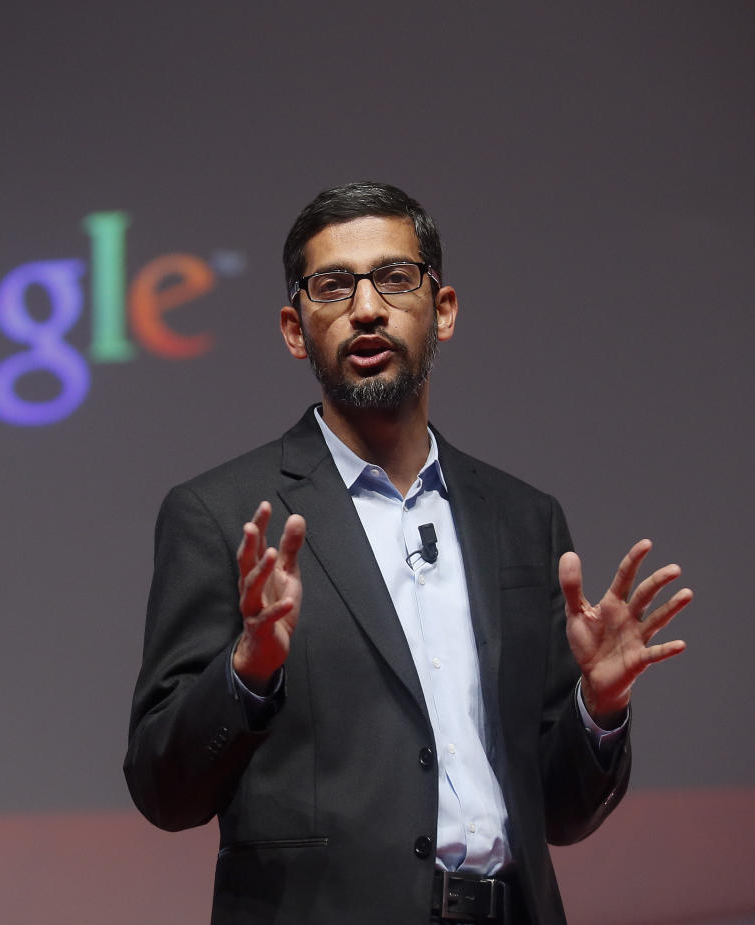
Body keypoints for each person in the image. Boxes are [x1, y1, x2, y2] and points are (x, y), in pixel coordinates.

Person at [123, 182, 691, 924]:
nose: (366, 307)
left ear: (442, 310)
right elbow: (164, 791)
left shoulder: (523, 519)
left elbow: (562, 812)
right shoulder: (223, 515)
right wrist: (248, 670)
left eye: (394, 278)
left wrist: (600, 707)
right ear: (296, 328)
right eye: (333, 285)